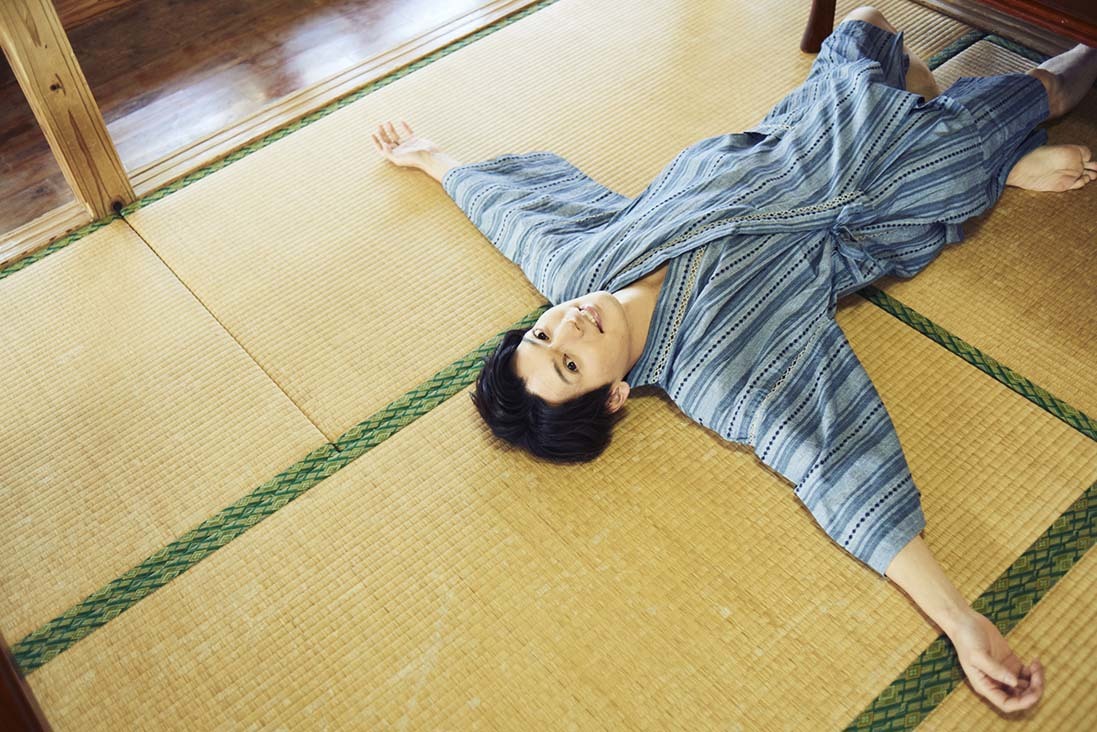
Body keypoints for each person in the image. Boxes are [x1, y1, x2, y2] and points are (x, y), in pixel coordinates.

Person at [372, 6, 1097, 714]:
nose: (569, 328)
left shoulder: (575, 269)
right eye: (571, 366)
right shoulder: (716, 369)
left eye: (541, 336)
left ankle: (966, 138)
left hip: (804, 127)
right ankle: (987, 164)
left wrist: (431, 158)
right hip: (890, 192)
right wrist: (960, 623)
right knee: (1048, 86)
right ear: (615, 394)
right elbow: (826, 465)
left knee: (867, 22)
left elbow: (510, 217)